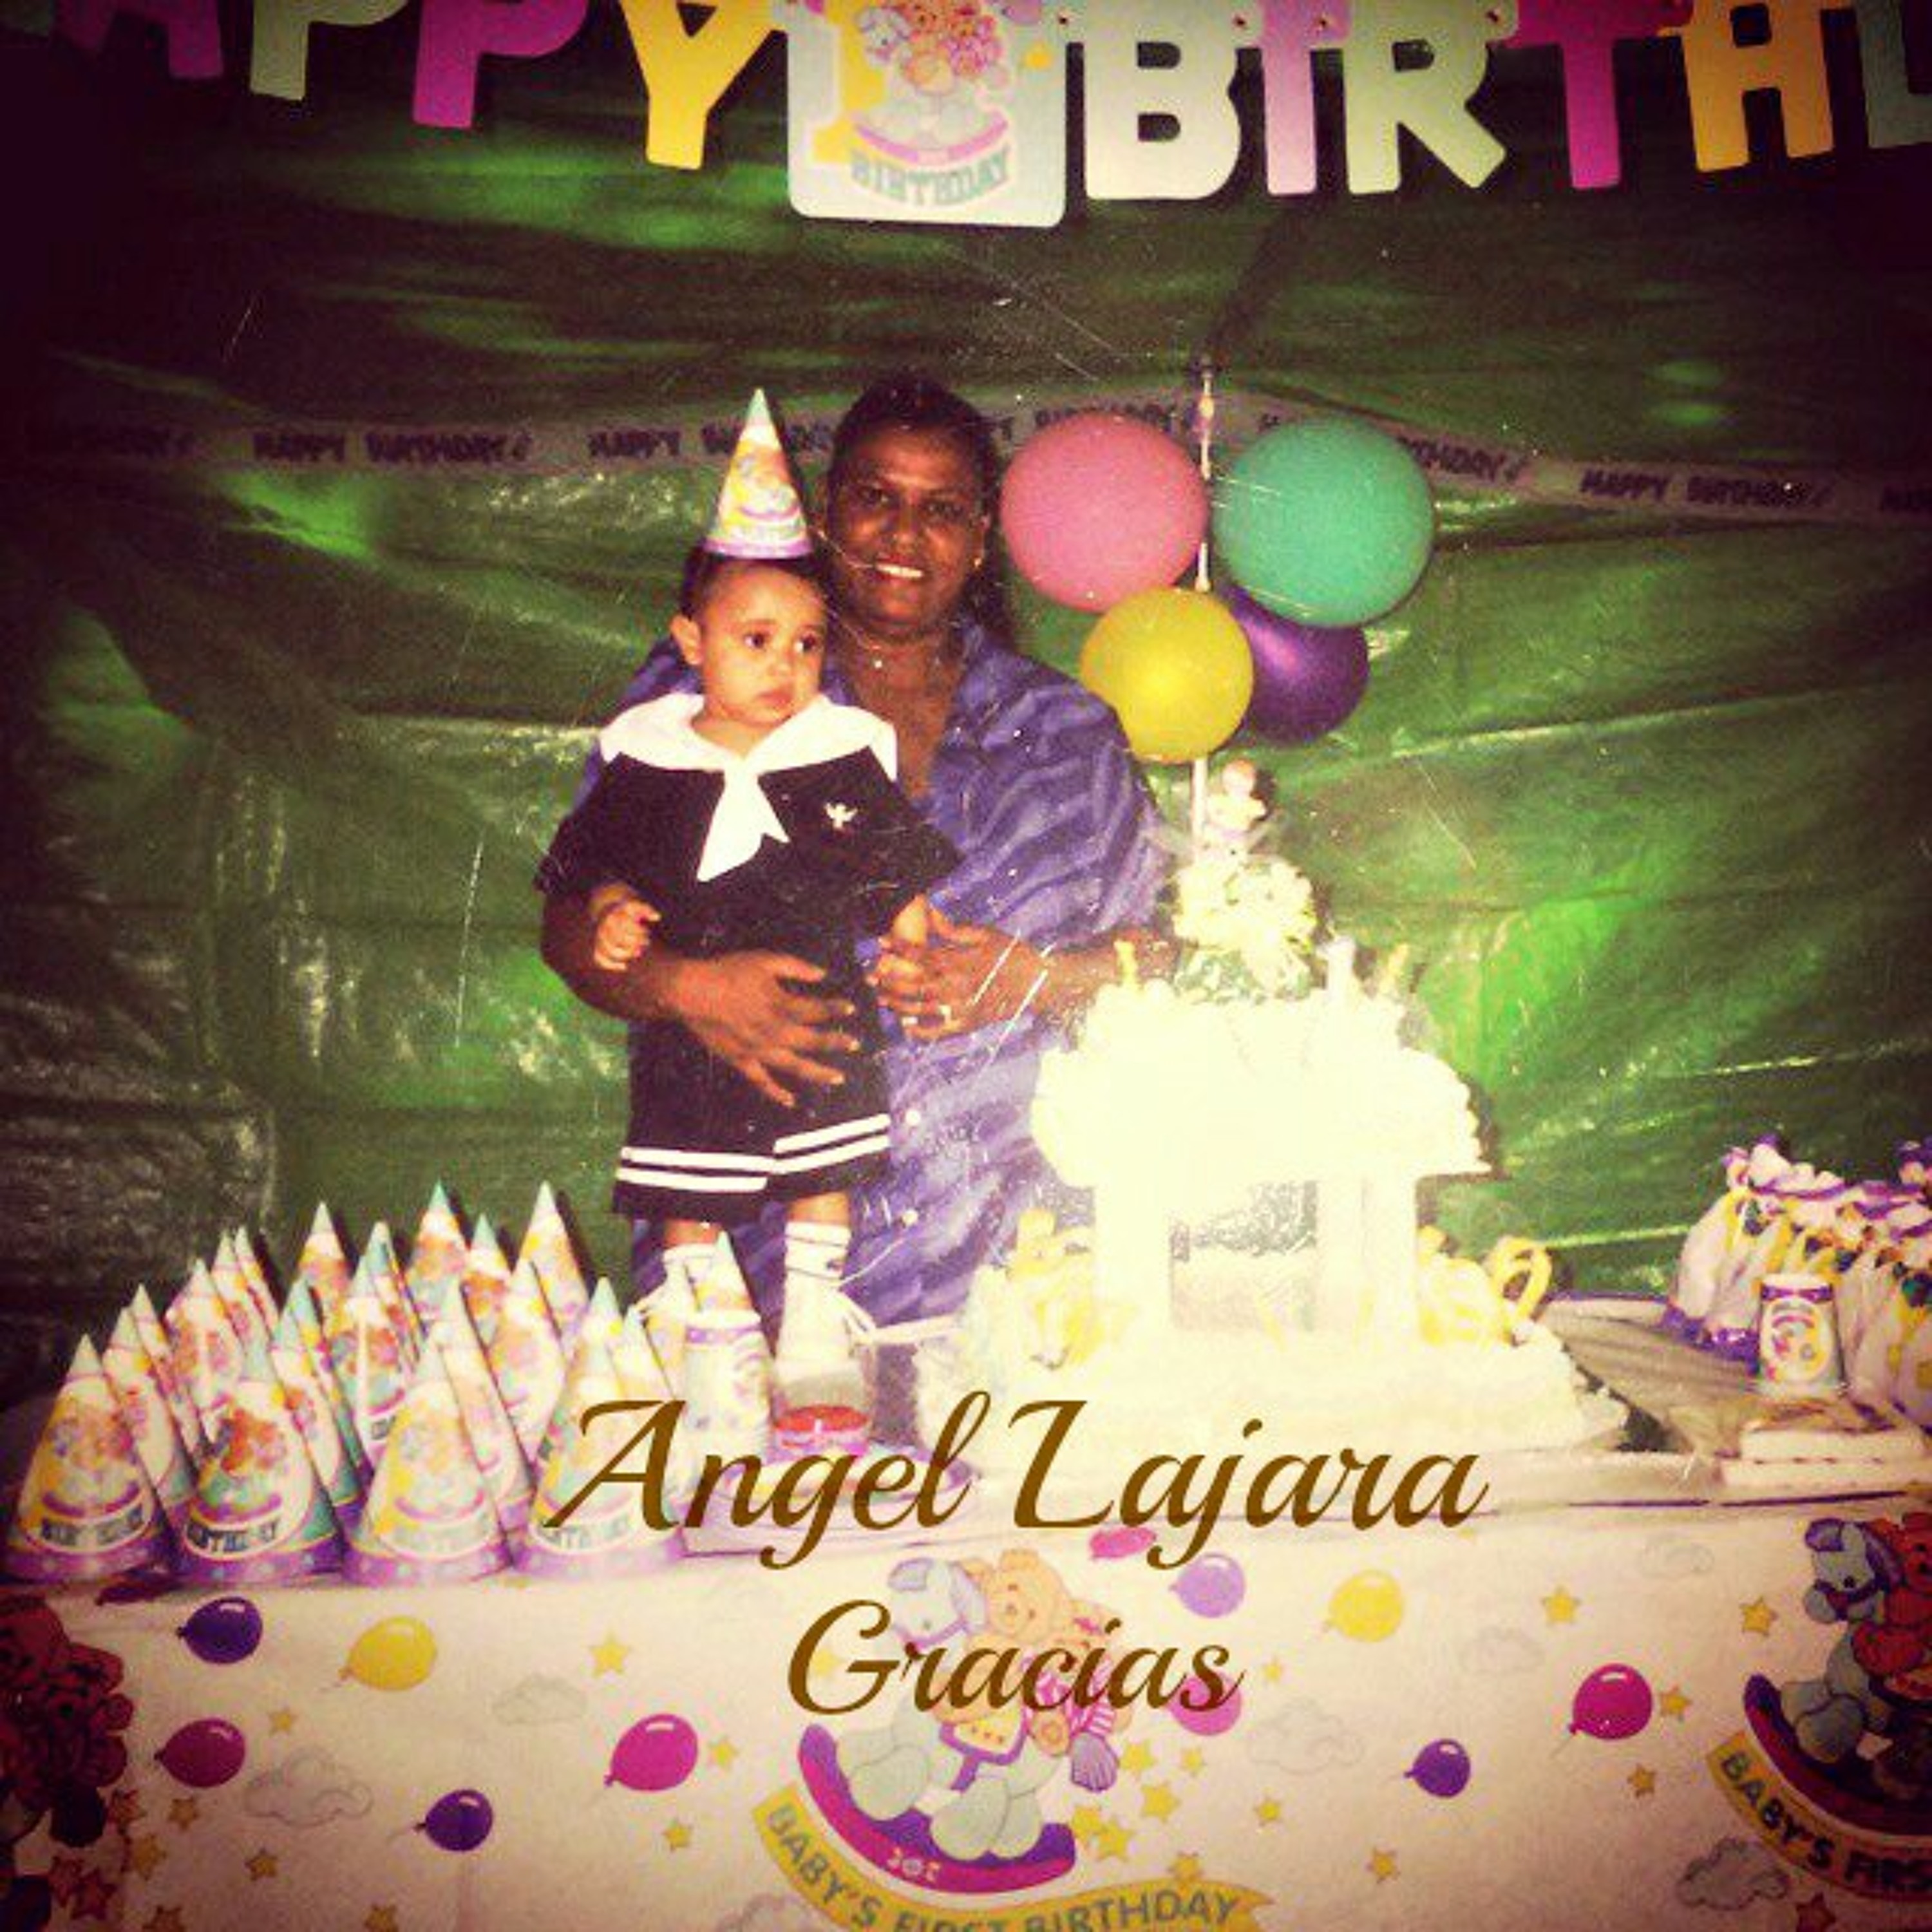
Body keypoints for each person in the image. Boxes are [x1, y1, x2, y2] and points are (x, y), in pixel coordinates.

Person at [540, 375, 1168, 1331]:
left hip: (1012, 1263)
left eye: (942, 510)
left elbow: (1158, 955)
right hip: (749, 1245)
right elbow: (570, 917)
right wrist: (689, 989)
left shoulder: (1065, 729)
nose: (904, 536)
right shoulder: (698, 697)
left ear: (981, 538)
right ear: (828, 513)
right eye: (877, 497)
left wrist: (1031, 979)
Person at [536, 393, 956, 1405]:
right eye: (757, 640)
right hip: (690, 1033)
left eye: (807, 645)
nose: (785, 667)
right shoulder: (647, 756)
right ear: (691, 639)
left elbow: (885, 857)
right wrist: (611, 910)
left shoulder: (832, 751)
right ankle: (706, 1328)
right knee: (686, 1180)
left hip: (821, 1010)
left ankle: (813, 1322)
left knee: (825, 1172)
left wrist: (906, 924)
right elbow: (589, 864)